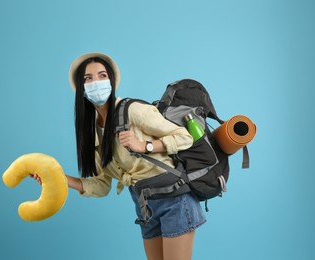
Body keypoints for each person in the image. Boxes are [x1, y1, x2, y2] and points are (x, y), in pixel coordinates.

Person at [31, 52, 206, 260]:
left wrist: (145, 145)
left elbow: (185, 136)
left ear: (112, 81)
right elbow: (102, 186)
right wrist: (62, 180)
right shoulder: (92, 131)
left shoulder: (133, 111)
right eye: (88, 79)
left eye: (102, 75)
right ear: (81, 89)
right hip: (145, 207)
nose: (96, 82)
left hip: (174, 200)